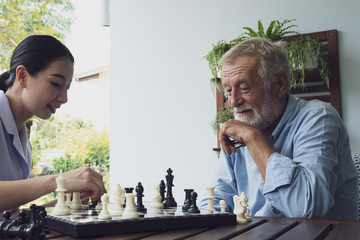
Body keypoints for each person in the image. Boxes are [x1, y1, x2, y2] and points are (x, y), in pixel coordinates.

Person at [204, 37, 358, 220]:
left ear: (280, 84)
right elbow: (217, 200)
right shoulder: (241, 131)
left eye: (244, 88)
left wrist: (254, 139)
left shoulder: (319, 118)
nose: (233, 102)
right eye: (228, 90)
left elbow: (305, 209)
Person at [0, 35, 106, 216]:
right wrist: (59, 181)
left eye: (67, 88)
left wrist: (57, 205)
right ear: (22, 76)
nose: (64, 98)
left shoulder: (23, 139)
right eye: (56, 83)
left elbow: (8, 216)